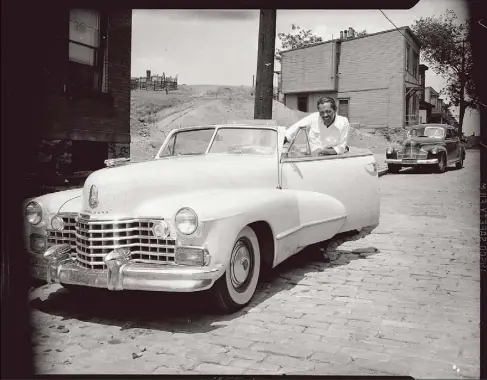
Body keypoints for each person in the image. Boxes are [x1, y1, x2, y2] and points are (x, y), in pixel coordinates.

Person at [284, 96, 350, 155]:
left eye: (328, 111)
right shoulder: (313, 117)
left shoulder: (343, 122)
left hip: (331, 159)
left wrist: (322, 151)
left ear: (335, 110)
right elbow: (296, 126)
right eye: (322, 112)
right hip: (312, 159)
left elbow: (341, 148)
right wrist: (284, 138)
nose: (325, 115)